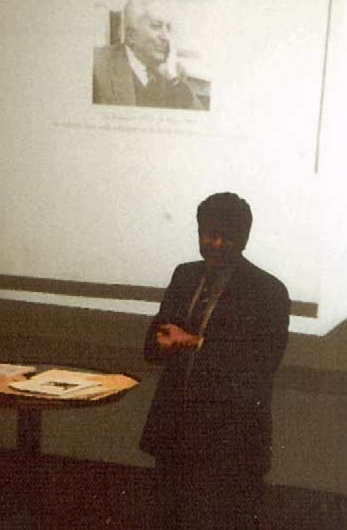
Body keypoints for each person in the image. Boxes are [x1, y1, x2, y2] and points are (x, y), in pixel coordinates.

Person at [141, 192, 290, 529]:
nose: (217, 243)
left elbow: (263, 362)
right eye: (209, 234)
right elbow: (151, 348)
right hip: (174, 432)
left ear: (245, 239)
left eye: (228, 236)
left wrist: (193, 341)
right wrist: (163, 343)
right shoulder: (184, 276)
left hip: (229, 441)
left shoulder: (268, 291)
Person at [93, 0, 209, 109]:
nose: (166, 37)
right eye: (156, 26)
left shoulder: (175, 72)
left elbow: (200, 120)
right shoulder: (97, 65)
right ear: (131, 35)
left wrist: (173, 80)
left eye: (168, 28)